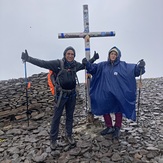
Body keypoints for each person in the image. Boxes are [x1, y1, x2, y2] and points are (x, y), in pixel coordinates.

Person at [21, 46, 99, 149]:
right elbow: (43, 63)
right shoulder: (58, 64)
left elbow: (85, 66)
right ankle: (53, 140)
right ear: (65, 54)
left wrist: (93, 59)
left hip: (72, 95)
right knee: (56, 118)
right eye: (68, 54)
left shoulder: (75, 65)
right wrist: (29, 59)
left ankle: (69, 135)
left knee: (70, 117)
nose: (70, 56)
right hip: (60, 96)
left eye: (72, 54)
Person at [82, 46, 145, 139]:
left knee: (118, 109)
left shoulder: (123, 66)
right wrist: (87, 64)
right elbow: (92, 69)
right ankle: (109, 126)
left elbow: (134, 71)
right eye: (112, 54)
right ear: (109, 55)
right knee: (104, 108)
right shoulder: (102, 65)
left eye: (115, 54)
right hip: (105, 93)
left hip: (118, 93)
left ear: (118, 56)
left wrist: (140, 66)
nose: (113, 55)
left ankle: (117, 127)